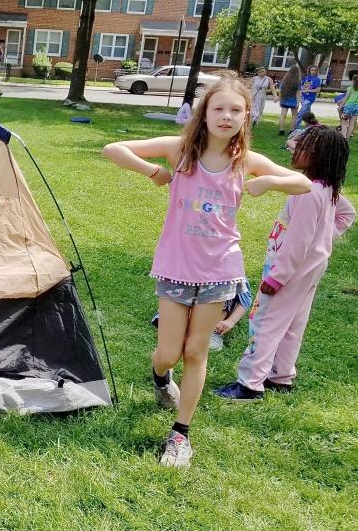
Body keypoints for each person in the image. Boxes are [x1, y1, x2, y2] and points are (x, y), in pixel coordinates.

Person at [102, 76, 312, 467]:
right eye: (219, 108)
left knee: (196, 351)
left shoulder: (244, 161)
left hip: (220, 270)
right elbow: (112, 148)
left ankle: (180, 435)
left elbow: (301, 183)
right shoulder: (180, 150)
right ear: (204, 113)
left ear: (247, 117)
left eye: (236, 110)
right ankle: (161, 378)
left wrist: (267, 182)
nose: (226, 116)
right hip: (176, 269)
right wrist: (153, 172)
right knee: (168, 353)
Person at [216, 127, 354, 401]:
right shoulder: (325, 188)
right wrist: (322, 243)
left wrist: (277, 277)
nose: (292, 146)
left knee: (266, 321)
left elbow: (297, 243)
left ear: (316, 154)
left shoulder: (308, 192)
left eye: (301, 145)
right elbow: (347, 214)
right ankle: (281, 376)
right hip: (310, 269)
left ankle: (250, 384)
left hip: (290, 270)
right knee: (292, 323)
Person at [151, 281, 252, 351]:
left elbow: (245, 299)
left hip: (215, 306)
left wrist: (231, 321)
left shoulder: (229, 268)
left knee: (220, 290)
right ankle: (176, 322)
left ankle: (212, 331)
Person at [293, 65, 323, 130]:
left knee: (301, 112)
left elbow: (317, 90)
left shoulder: (317, 79)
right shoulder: (306, 78)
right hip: (303, 97)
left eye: (315, 70)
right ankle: (313, 125)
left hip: (310, 98)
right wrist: (301, 92)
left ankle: (295, 127)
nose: (313, 72)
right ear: (309, 70)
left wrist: (308, 90)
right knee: (308, 113)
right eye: (312, 70)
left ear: (317, 71)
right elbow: (301, 86)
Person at [277, 65, 302, 135]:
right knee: (294, 115)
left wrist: (280, 100)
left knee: (283, 115)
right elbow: (297, 93)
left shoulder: (284, 80)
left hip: (284, 100)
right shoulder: (298, 81)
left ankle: (281, 130)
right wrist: (297, 103)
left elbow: (280, 91)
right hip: (293, 101)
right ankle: (291, 130)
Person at [340, 75, 358, 140]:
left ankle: (343, 137)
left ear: (353, 81)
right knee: (352, 123)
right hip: (357, 107)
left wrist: (341, 106)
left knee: (344, 122)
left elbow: (346, 98)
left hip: (349, 106)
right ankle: (347, 137)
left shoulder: (350, 88)